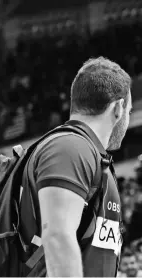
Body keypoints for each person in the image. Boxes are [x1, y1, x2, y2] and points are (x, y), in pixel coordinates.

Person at [21, 57, 133, 277]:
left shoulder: (87, 153)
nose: (127, 118)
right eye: (129, 112)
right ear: (118, 108)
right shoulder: (71, 147)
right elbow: (58, 236)